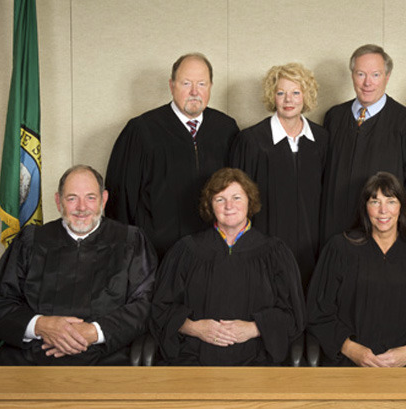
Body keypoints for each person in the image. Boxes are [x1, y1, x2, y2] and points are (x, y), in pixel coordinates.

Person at [0, 165, 157, 365]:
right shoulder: (31, 241)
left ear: (104, 199)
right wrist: (39, 325)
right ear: (58, 201)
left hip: (106, 358)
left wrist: (95, 331)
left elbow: (145, 303)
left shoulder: (131, 241)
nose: (82, 207)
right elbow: (2, 299)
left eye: (91, 197)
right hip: (31, 358)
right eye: (72, 198)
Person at [150, 168, 305, 365]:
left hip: (257, 361)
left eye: (236, 197)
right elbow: (160, 310)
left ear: (250, 201)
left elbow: (293, 316)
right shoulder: (186, 251)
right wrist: (195, 328)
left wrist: (254, 328)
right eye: (220, 199)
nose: (229, 206)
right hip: (193, 359)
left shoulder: (274, 253)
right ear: (210, 205)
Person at [308, 172, 406, 367]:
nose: (383, 211)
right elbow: (318, 311)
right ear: (365, 208)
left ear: (401, 207)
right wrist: (351, 349)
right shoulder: (340, 249)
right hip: (349, 364)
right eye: (375, 202)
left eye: (391, 201)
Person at [105, 52, 239, 259]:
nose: (195, 91)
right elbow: (120, 199)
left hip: (214, 252)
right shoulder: (142, 131)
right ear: (171, 85)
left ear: (211, 86)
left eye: (202, 84)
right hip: (156, 255)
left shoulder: (226, 129)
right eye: (186, 83)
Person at [320, 44, 406, 246]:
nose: (367, 83)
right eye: (360, 74)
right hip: (333, 236)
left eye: (375, 74)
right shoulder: (334, 118)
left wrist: (391, 235)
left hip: (382, 242)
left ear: (387, 76)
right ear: (352, 76)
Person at [230, 63, 328, 291]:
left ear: (306, 95)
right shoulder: (251, 141)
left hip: (311, 244)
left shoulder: (322, 140)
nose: (288, 100)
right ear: (272, 97)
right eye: (281, 93)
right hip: (265, 242)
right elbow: (237, 199)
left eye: (296, 92)